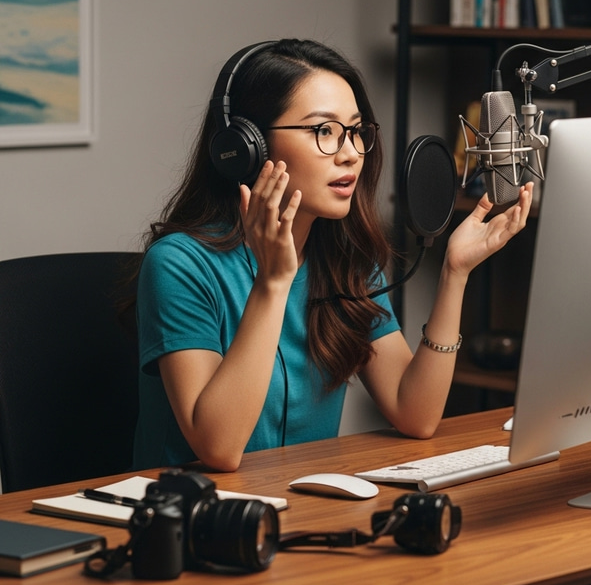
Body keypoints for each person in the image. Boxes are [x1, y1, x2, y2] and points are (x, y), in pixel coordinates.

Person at [132, 38, 533, 472]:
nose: (350, 154)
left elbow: (414, 414)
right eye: (323, 130)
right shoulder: (179, 264)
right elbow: (220, 449)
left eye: (356, 131)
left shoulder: (346, 260)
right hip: (200, 518)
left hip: (307, 508)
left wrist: (456, 273)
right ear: (248, 148)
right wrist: (273, 281)